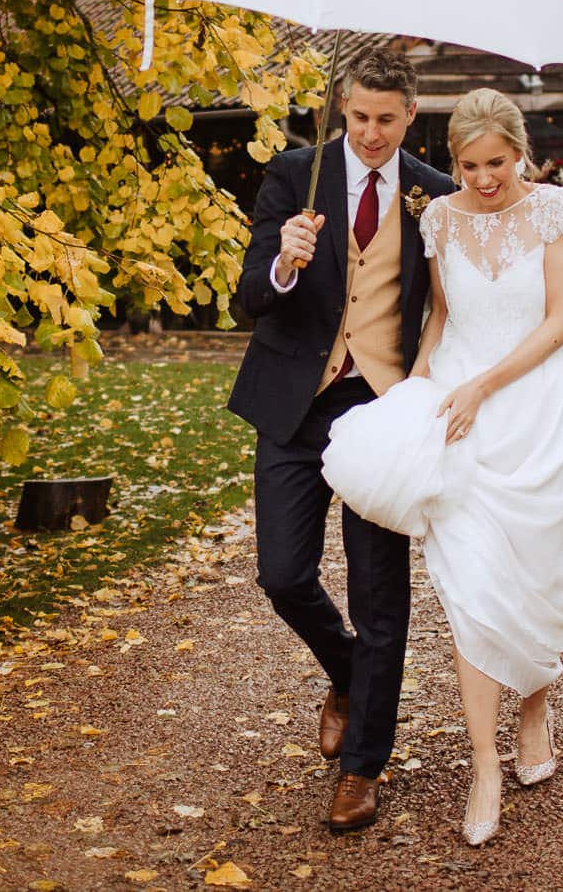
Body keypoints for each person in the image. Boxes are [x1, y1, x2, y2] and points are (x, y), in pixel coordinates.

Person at [321, 88, 563, 847]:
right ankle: (483, 762)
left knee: (538, 576)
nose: (481, 178)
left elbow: (560, 321)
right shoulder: (438, 217)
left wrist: (483, 384)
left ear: (519, 149)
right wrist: (420, 388)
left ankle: (534, 703)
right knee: (472, 588)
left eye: (496, 163)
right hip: (459, 415)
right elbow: (441, 315)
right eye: (468, 165)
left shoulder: (556, 211)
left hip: (535, 410)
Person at [227, 50, 457, 834]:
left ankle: (363, 766)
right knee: (282, 573)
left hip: (383, 409)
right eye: (358, 116)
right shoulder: (297, 175)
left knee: (379, 594)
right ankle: (350, 671)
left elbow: (447, 309)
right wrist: (285, 262)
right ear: (343, 106)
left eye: (385, 120)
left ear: (409, 117)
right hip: (296, 397)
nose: (368, 132)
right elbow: (247, 296)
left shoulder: (438, 194)